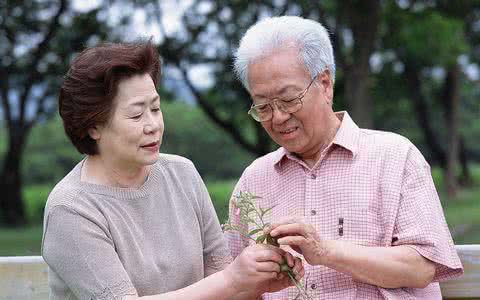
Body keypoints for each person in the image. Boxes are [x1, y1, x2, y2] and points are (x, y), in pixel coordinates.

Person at [41, 41, 304, 300]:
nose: (153, 125)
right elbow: (225, 280)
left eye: (155, 109)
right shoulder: (71, 209)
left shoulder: (182, 173)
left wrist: (253, 284)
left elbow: (219, 272)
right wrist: (233, 281)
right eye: (136, 115)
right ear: (93, 127)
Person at [226, 16, 463, 299]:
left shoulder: (395, 157)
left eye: (288, 99)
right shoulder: (255, 179)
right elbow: (233, 282)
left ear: (325, 84)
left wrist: (326, 252)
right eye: (263, 107)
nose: (277, 117)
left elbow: (423, 267)